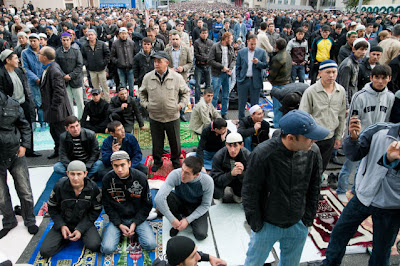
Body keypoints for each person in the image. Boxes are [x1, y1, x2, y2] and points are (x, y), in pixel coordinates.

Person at [242, 110, 328, 265]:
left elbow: (314, 187)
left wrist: (307, 219)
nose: (313, 141)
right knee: (253, 263)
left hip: (297, 223)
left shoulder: (313, 152)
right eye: (309, 137)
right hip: (267, 225)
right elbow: (250, 191)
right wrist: (256, 224)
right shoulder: (263, 154)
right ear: (290, 138)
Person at [321, 118, 400, 266]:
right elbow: (354, 154)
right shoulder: (379, 130)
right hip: (364, 195)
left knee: (382, 250)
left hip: (391, 205)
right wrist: (352, 139)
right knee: (340, 232)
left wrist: (389, 159)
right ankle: (330, 263)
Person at [336, 65, 395, 202]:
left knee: (365, 168)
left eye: (384, 78)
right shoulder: (360, 96)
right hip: (360, 137)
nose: (380, 81)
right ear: (371, 78)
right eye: (377, 78)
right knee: (350, 165)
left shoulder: (390, 97)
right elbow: (353, 118)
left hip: (377, 139)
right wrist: (352, 138)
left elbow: (387, 120)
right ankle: (341, 189)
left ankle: (356, 191)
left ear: (389, 79)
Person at [139, 51, 190, 172]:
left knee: (175, 142)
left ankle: (176, 161)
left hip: (172, 116)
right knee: (157, 142)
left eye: (159, 61)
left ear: (166, 63)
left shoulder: (176, 77)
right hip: (155, 116)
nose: (156, 64)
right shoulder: (148, 77)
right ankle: (157, 161)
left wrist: (180, 106)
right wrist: (146, 105)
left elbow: (186, 92)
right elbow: (141, 92)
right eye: (155, 61)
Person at [39, 160, 102, 258]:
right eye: (72, 174)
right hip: (64, 222)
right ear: (67, 174)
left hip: (83, 222)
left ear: (85, 174)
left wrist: (81, 229)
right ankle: (65, 238)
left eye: (79, 174)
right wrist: (61, 225)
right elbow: (52, 208)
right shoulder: (59, 186)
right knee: (45, 252)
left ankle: (74, 235)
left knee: (94, 245)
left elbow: (96, 210)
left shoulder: (93, 188)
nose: (75, 178)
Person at [101, 151, 156, 254]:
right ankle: (121, 231)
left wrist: (135, 223)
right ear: (112, 165)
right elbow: (107, 205)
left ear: (129, 164)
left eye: (122, 165)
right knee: (107, 249)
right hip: (118, 218)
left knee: (150, 245)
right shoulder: (107, 180)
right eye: (116, 166)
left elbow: (147, 204)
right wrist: (119, 224)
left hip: (136, 217)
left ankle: (132, 232)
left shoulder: (140, 178)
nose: (119, 169)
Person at [0, 90, 38, 239]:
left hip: (15, 152)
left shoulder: (12, 104)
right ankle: (9, 221)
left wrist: (25, 145)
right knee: (1, 194)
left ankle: (30, 220)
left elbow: (25, 126)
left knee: (24, 188)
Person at [299, 60, 346, 172]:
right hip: (313, 139)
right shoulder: (311, 91)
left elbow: (341, 115)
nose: (331, 75)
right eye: (328, 72)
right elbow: (303, 115)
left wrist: (338, 137)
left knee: (322, 167)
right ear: (320, 73)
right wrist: (306, 137)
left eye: (334, 72)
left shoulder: (341, 91)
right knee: (308, 168)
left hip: (330, 137)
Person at [155, 157, 214, 240]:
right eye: (182, 170)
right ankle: (178, 220)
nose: (182, 175)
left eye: (187, 173)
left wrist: (187, 220)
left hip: (196, 206)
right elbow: (159, 198)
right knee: (166, 197)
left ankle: (187, 220)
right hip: (180, 201)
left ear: (196, 175)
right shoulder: (176, 174)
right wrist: (173, 220)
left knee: (201, 235)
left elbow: (205, 205)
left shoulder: (207, 181)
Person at [0, 49, 40, 157]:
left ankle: (30, 149)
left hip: (23, 103)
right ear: (8, 60)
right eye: (15, 58)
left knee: (28, 126)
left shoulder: (18, 71)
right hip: (10, 107)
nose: (18, 61)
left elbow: (25, 87)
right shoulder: (2, 74)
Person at [39, 46, 72, 159]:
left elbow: (59, 92)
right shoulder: (49, 68)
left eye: (40, 54)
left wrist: (53, 108)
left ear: (44, 57)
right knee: (54, 132)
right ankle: (58, 150)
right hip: (53, 109)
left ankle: (64, 153)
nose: (38, 55)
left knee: (59, 133)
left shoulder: (54, 70)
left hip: (58, 111)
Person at [210, 132, 250, 202]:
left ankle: (237, 192)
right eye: (230, 146)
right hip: (224, 178)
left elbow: (252, 178)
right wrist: (231, 174)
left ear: (242, 145)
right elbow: (215, 178)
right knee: (216, 193)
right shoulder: (218, 156)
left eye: (235, 146)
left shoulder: (248, 156)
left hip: (239, 180)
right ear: (226, 144)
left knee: (241, 196)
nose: (232, 150)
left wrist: (242, 173)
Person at [235, 34, 268, 119]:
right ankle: (241, 120)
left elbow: (265, 65)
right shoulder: (241, 52)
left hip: (255, 81)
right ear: (247, 42)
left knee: (255, 104)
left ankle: (254, 120)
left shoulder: (262, 52)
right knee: (242, 103)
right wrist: (238, 78)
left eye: (254, 44)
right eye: (251, 44)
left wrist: (258, 63)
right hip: (243, 80)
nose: (253, 46)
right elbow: (238, 66)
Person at [55, 32, 84, 119]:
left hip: (76, 81)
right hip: (64, 81)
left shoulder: (76, 51)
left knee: (80, 103)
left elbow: (79, 66)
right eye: (64, 40)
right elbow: (56, 66)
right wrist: (64, 76)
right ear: (61, 40)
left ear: (71, 40)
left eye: (67, 40)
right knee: (68, 103)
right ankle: (71, 119)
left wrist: (71, 76)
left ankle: (81, 119)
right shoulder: (57, 52)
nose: (66, 42)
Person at [208, 32, 236, 120]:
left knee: (226, 95)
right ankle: (212, 114)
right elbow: (210, 60)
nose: (232, 41)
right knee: (215, 96)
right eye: (231, 39)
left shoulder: (230, 47)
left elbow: (234, 59)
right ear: (226, 39)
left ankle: (224, 113)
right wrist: (222, 67)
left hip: (226, 74)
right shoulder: (215, 46)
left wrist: (230, 68)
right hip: (217, 74)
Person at [21, 33, 44, 132]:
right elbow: (25, 68)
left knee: (46, 102)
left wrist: (43, 78)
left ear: (39, 41)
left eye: (35, 41)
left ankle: (46, 121)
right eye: (31, 41)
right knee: (37, 103)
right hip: (33, 82)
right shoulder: (25, 53)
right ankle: (39, 122)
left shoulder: (44, 50)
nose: (33, 43)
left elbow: (49, 64)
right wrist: (36, 78)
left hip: (45, 81)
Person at [337, 38, 369, 108]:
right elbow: (343, 88)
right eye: (361, 49)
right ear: (354, 49)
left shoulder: (356, 62)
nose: (363, 52)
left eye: (365, 50)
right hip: (347, 102)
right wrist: (347, 107)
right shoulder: (347, 65)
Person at [153, 236, 227, 266]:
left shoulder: (177, 258)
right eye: (193, 256)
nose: (198, 258)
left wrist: (209, 257)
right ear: (179, 264)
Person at [81, 29, 110, 102]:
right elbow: (83, 56)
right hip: (92, 69)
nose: (90, 36)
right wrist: (87, 64)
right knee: (95, 86)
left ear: (95, 35)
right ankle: (99, 100)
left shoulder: (101, 44)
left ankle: (107, 100)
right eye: (89, 35)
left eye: (91, 35)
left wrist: (104, 63)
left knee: (104, 86)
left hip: (101, 69)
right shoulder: (85, 46)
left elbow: (107, 54)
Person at [268, 38, 292, 128]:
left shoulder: (277, 58)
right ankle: (279, 121)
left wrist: (270, 80)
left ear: (276, 46)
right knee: (284, 106)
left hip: (278, 84)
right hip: (287, 82)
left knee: (277, 106)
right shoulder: (288, 55)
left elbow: (273, 73)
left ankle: (277, 124)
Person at [111, 27, 137, 96]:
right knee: (123, 85)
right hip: (120, 68)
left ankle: (131, 99)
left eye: (125, 34)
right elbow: (112, 56)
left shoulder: (131, 43)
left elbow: (135, 54)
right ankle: (124, 99)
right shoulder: (115, 43)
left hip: (130, 67)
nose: (124, 35)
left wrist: (133, 62)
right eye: (122, 34)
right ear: (119, 34)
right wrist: (118, 62)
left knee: (131, 86)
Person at [193, 28, 213, 103]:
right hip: (199, 66)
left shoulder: (211, 43)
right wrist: (205, 59)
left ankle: (207, 102)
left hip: (208, 66)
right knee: (197, 85)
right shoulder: (197, 42)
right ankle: (197, 102)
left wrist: (206, 59)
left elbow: (212, 54)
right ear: (200, 34)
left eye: (206, 33)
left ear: (208, 34)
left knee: (208, 85)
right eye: (203, 33)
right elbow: (196, 55)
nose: (204, 35)